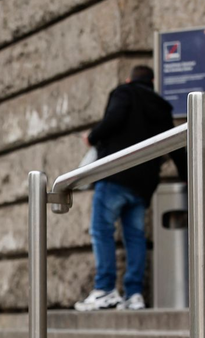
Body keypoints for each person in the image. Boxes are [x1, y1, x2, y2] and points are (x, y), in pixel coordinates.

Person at [75, 65, 178, 311]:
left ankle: (105, 289)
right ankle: (134, 294)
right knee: (135, 237)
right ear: (152, 82)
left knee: (101, 231)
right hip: (143, 184)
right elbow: (175, 143)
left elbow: (114, 119)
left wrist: (92, 136)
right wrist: (187, 175)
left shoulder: (125, 93)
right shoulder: (162, 107)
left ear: (130, 79)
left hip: (114, 175)